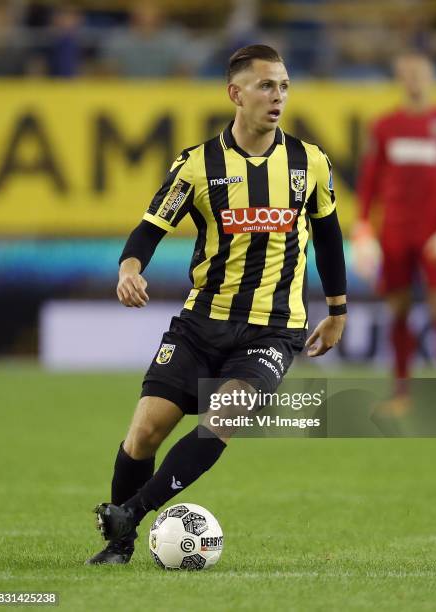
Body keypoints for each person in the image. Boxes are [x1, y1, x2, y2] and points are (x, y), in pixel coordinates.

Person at [86, 44, 347, 565]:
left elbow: (329, 235)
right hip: (200, 324)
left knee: (222, 418)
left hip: (273, 331)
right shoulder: (197, 165)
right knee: (144, 433)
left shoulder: (309, 162)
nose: (279, 97)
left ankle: (128, 516)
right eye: (267, 86)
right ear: (236, 93)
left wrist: (337, 310)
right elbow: (149, 228)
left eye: (285, 86)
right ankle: (118, 547)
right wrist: (129, 268)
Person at [353, 52, 436, 411]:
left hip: (433, 234)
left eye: (418, 73)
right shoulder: (384, 126)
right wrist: (363, 229)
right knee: (398, 309)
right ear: (398, 79)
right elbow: (369, 183)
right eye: (405, 74)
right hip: (394, 230)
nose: (412, 80)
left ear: (432, 76)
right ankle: (401, 392)